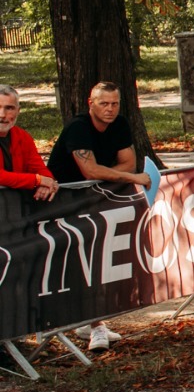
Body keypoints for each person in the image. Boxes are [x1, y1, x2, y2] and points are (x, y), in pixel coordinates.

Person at [46, 81, 149, 349]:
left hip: (94, 200)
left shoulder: (120, 124)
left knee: (97, 261)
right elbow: (90, 171)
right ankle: (88, 325)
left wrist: (109, 174)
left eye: (115, 103)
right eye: (104, 103)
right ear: (90, 103)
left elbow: (128, 162)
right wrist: (129, 177)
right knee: (77, 264)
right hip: (61, 204)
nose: (110, 109)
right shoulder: (78, 127)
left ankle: (93, 324)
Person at [0, 84, 58, 201]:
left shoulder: (22, 137)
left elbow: (39, 168)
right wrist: (38, 180)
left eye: (9, 108)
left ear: (18, 111)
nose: (2, 115)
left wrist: (46, 182)